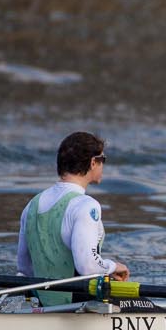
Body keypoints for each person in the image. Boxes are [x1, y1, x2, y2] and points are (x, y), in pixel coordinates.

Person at [16, 131, 128, 307]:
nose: (103, 165)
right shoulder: (85, 205)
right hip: (79, 305)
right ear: (93, 162)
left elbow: (25, 267)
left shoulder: (31, 205)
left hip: (45, 306)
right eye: (103, 160)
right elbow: (88, 266)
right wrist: (114, 267)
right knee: (152, 309)